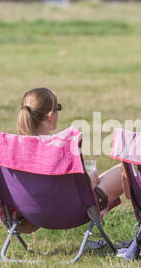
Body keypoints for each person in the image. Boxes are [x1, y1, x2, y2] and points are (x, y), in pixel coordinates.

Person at [14, 87, 123, 232]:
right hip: (66, 213)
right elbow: (73, 192)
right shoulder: (60, 148)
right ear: (51, 115)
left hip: (30, 215)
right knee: (122, 170)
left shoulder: (12, 150)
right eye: (58, 108)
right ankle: (140, 226)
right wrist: (91, 181)